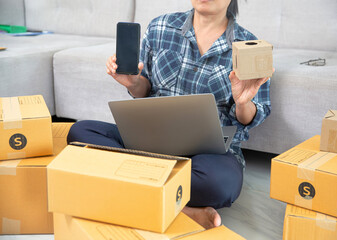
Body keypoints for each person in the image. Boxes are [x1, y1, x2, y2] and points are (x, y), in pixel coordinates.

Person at [67, 0, 271, 229]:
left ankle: (130, 186)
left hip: (207, 154)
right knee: (79, 132)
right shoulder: (160, 27)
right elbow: (145, 90)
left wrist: (243, 101)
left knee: (220, 183)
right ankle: (181, 209)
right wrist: (134, 82)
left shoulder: (249, 46)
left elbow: (250, 118)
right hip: (148, 140)